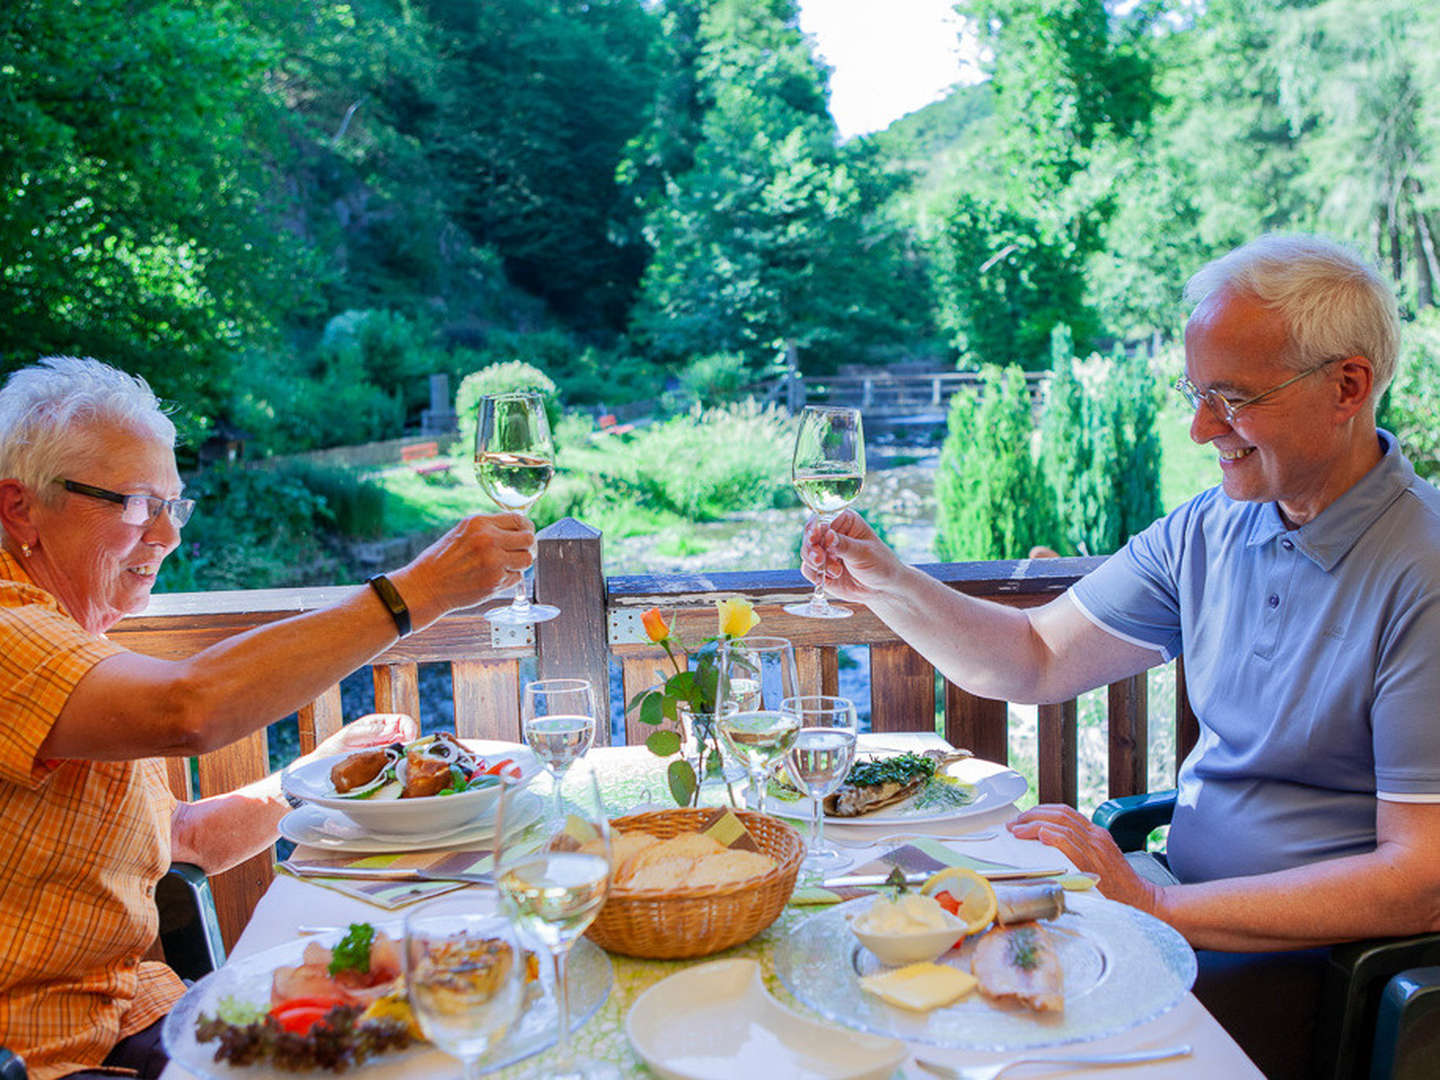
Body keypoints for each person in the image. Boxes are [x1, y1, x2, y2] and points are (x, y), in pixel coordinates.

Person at [801, 234, 1440, 1076]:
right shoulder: (1210, 527)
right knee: (891, 970)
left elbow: (1420, 878)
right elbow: (1030, 657)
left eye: (1230, 396)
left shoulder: (1424, 571)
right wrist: (889, 582)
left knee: (980, 1037)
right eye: (1194, 391)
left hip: (1311, 972)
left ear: (1347, 386)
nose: (1199, 426)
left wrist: (1154, 903)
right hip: (1176, 906)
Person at [0, 356, 535, 1080]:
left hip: (135, 1015)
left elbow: (183, 838)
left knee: (426, 1022)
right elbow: (186, 706)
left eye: (174, 506)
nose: (168, 537)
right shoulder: (10, 633)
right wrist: (419, 591)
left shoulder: (78, 640)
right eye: (134, 503)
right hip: (47, 1059)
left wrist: (314, 779)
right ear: (20, 508)